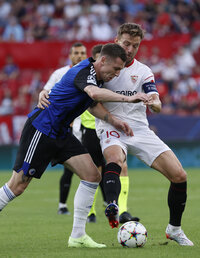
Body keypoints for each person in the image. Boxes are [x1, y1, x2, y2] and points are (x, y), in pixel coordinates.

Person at [0, 43, 150, 248]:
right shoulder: (83, 71)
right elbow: (94, 95)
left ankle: (77, 236)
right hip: (42, 129)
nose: (116, 75)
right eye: (115, 69)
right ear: (103, 60)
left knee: (92, 176)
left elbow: (92, 105)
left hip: (61, 133)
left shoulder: (97, 77)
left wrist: (114, 121)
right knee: (18, 185)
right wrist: (129, 98)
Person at [95, 23, 194, 246]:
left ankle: (174, 229)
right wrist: (111, 119)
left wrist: (155, 103)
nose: (130, 49)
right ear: (116, 40)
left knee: (180, 176)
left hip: (139, 128)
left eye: (135, 46)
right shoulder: (100, 68)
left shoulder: (143, 71)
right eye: (126, 44)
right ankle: (112, 205)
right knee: (115, 159)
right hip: (111, 126)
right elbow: (92, 104)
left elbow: (155, 99)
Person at [82, 44, 139, 223]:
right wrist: (44, 92)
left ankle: (121, 210)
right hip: (90, 129)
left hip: (111, 128)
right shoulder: (83, 74)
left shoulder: (112, 77)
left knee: (120, 165)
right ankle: (90, 212)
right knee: (94, 171)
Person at [38, 42, 87, 215]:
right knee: (70, 167)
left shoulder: (90, 75)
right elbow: (45, 93)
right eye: (76, 53)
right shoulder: (59, 73)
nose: (79, 56)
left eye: (82, 53)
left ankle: (101, 205)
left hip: (86, 125)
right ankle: (62, 205)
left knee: (93, 167)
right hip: (66, 126)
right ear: (70, 55)